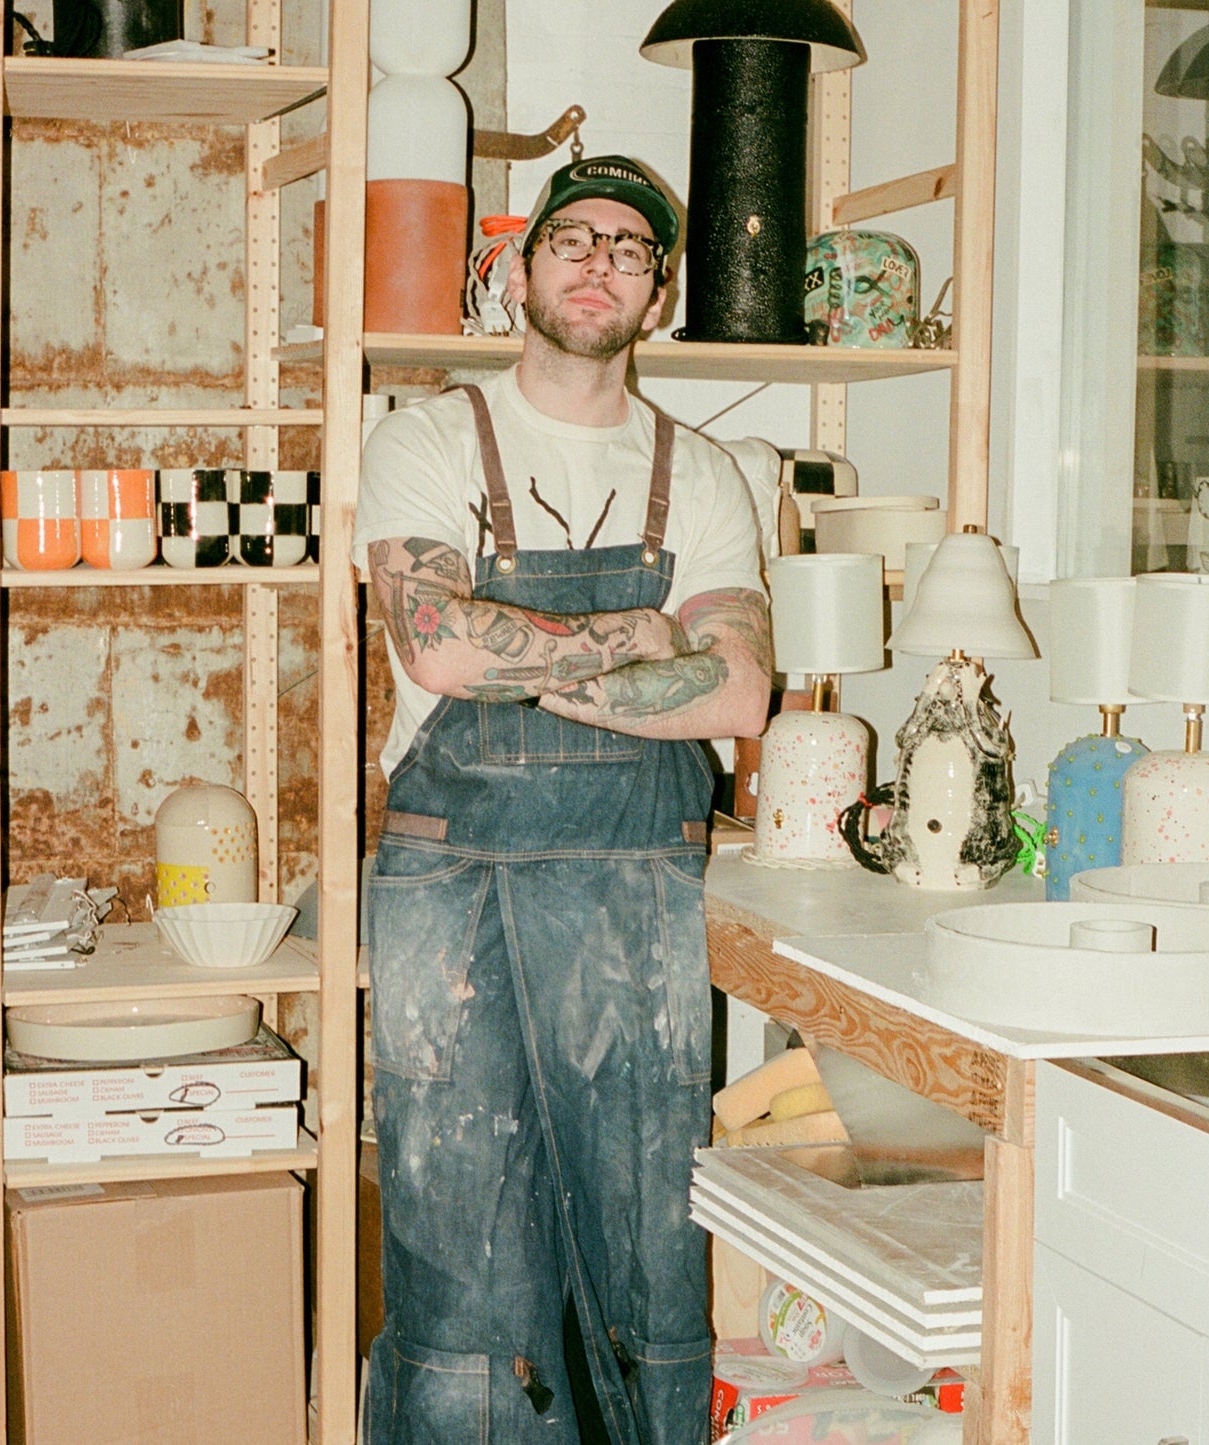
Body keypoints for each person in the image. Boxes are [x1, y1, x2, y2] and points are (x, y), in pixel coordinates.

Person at [353, 154, 774, 1445]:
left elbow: (740, 692)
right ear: (517, 268)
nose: (598, 261)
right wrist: (636, 636)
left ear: (658, 295)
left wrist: (529, 655)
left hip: (636, 885)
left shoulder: (700, 474)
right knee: (459, 1224)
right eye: (571, 237)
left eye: (630, 249)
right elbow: (435, 645)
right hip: (449, 884)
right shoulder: (423, 437)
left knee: (645, 1222)